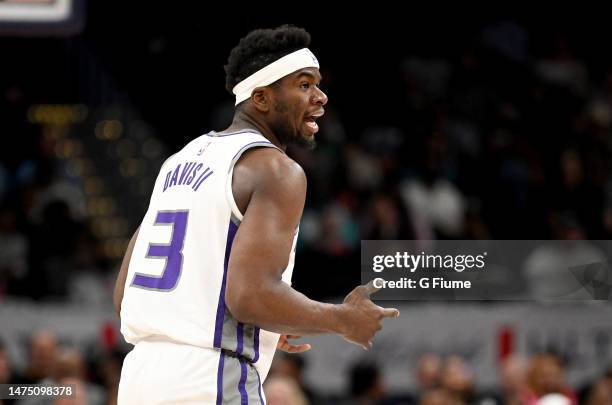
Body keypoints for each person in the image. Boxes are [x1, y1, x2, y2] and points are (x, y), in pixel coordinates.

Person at [114, 24, 399, 404]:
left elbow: (125, 293)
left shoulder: (178, 162)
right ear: (261, 97)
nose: (321, 97)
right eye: (304, 85)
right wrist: (341, 319)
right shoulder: (275, 170)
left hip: (139, 378)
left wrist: (262, 321)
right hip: (211, 378)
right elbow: (249, 296)